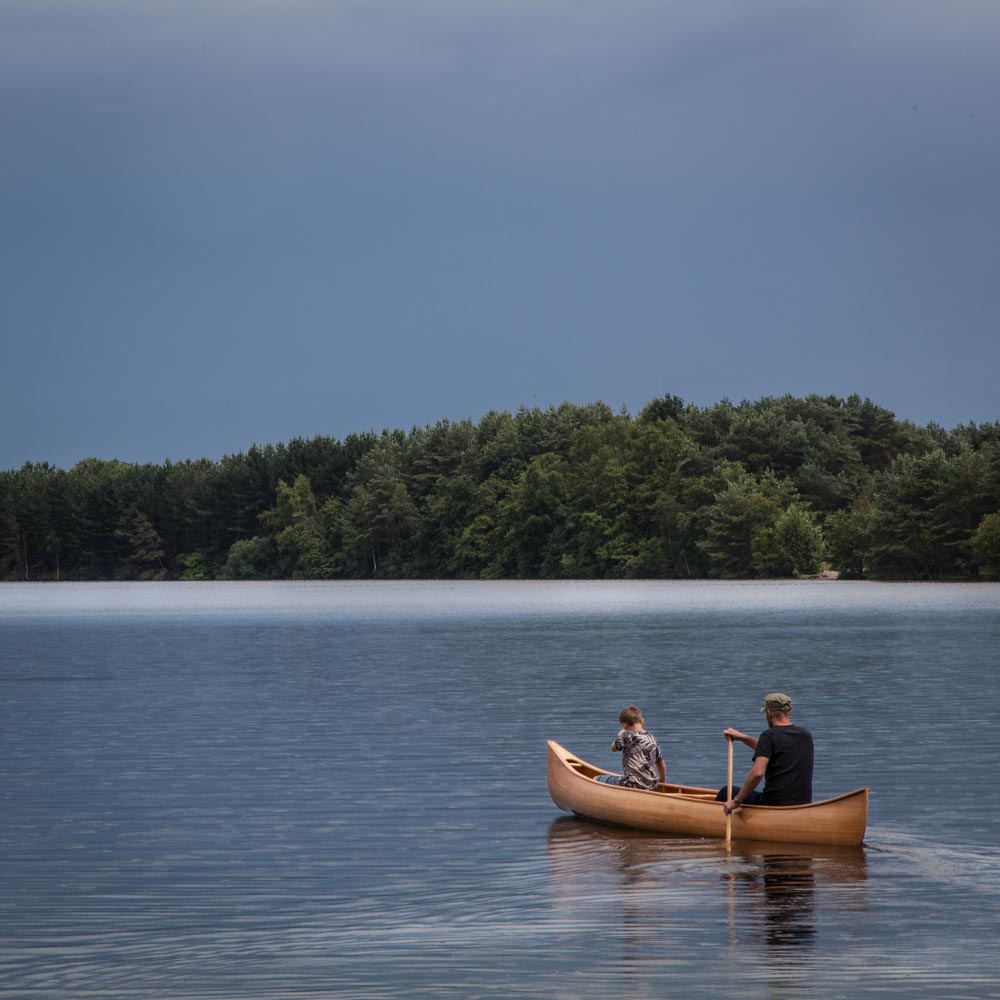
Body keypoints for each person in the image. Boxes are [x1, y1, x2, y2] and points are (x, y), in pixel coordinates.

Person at [720, 692, 813, 814]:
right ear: (789, 712)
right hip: (803, 805)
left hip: (774, 804)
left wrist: (737, 801)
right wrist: (741, 737)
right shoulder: (805, 735)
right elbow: (770, 748)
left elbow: (757, 773)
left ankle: (713, 825)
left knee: (726, 792)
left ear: (768, 713)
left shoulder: (769, 736)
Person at [595, 705, 666, 790]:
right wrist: (662, 780)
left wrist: (620, 735)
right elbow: (661, 765)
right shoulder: (652, 738)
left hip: (632, 784)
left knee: (597, 779)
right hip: (652, 785)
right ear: (642, 721)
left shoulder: (626, 735)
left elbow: (613, 748)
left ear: (624, 724)